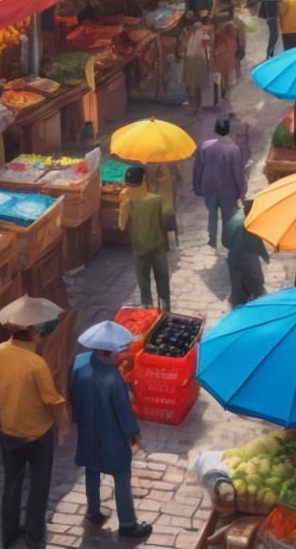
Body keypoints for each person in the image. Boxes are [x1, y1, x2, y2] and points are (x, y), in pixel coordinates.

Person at [0, 294, 68, 549]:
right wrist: (61, 426)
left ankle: (9, 538)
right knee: (39, 488)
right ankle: (34, 537)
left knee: (12, 485)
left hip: (8, 432)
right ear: (32, 331)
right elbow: (52, 401)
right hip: (38, 435)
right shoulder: (36, 364)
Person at [70, 320, 152, 540]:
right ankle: (127, 523)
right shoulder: (113, 378)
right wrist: (133, 435)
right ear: (112, 353)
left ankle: (93, 511)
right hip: (111, 436)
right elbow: (124, 412)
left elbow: (74, 397)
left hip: (88, 430)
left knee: (91, 470)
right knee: (122, 477)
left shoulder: (78, 363)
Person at [118, 166, 171, 311]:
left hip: (139, 247)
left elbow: (121, 225)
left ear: (126, 183)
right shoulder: (156, 199)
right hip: (157, 245)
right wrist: (166, 244)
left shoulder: (128, 202)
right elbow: (161, 224)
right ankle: (165, 311)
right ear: (144, 180)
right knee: (162, 280)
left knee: (143, 281)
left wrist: (123, 202)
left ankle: (147, 311)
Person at [193, 118, 246, 248]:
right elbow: (237, 172)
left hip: (209, 187)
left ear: (215, 130)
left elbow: (198, 167)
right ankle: (226, 240)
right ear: (228, 130)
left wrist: (197, 186)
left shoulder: (206, 146)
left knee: (212, 213)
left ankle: (212, 238)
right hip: (228, 189)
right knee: (227, 215)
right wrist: (241, 190)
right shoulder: (233, 149)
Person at [223, 198, 269, 307]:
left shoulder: (236, 220)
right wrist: (265, 256)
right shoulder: (247, 224)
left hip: (234, 259)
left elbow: (225, 241)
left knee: (239, 292)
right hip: (247, 259)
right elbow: (258, 244)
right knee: (257, 287)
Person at [181, 19, 212, 114]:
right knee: (190, 83)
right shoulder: (189, 33)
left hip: (200, 60)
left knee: (199, 83)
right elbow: (186, 47)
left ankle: (198, 105)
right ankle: (193, 103)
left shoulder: (204, 33)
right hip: (190, 60)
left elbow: (208, 46)